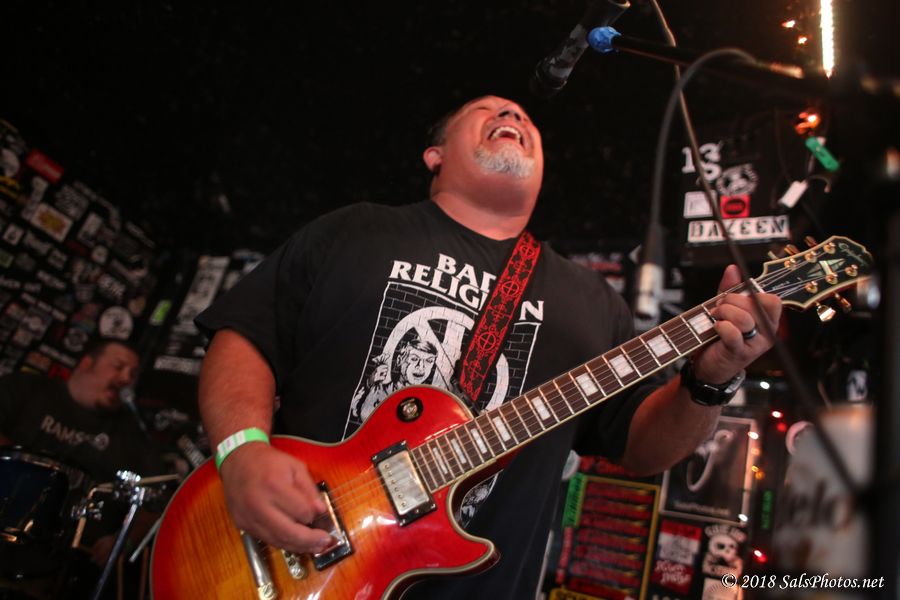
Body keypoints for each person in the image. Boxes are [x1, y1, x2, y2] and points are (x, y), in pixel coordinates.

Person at [194, 95, 781, 598]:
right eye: (487, 109)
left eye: (524, 117)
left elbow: (643, 448)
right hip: (282, 552)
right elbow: (246, 336)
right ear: (435, 154)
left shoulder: (592, 300)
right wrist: (241, 453)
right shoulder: (356, 229)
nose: (511, 115)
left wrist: (713, 379)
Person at [0, 338, 166, 595]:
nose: (125, 379)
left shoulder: (132, 436)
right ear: (87, 363)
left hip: (65, 571)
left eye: (132, 374)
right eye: (118, 367)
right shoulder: (27, 388)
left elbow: (156, 498)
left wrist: (124, 540)